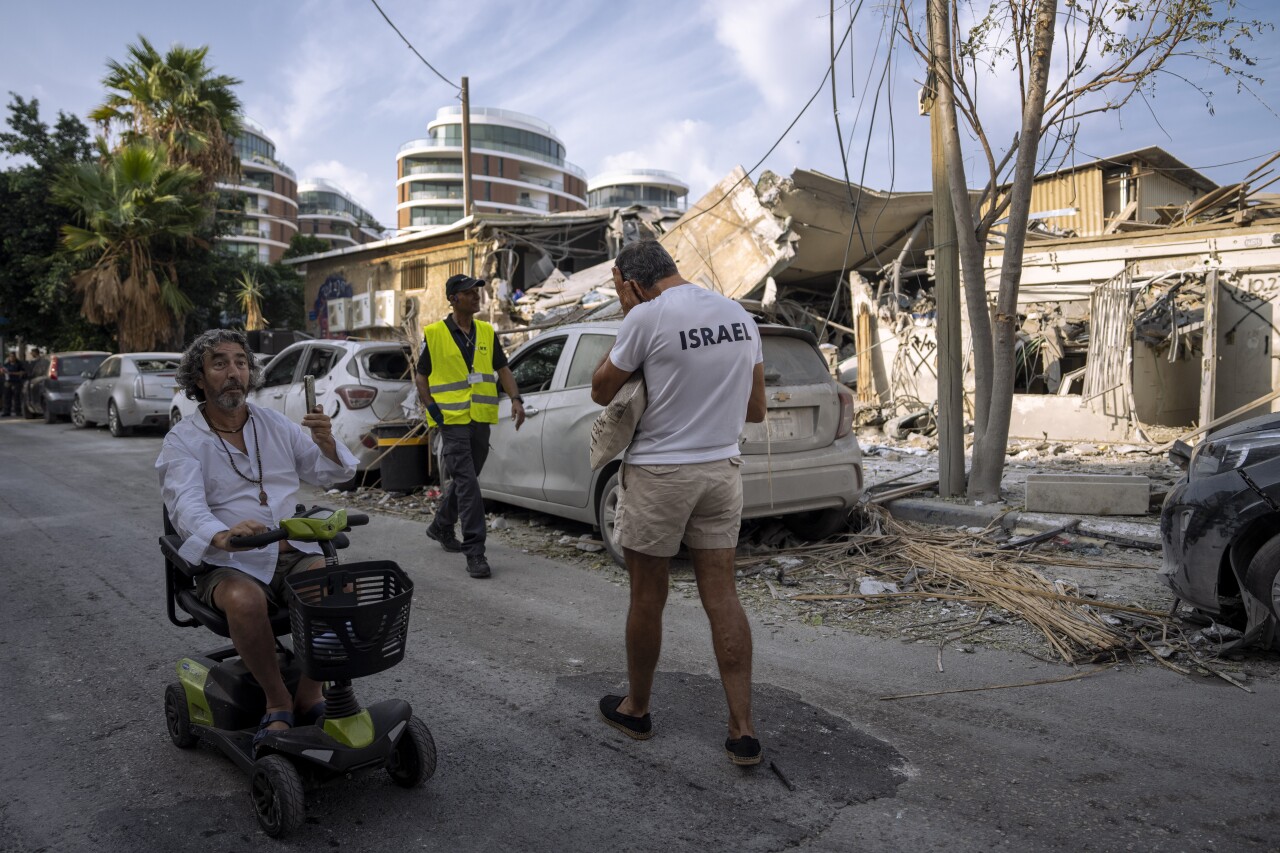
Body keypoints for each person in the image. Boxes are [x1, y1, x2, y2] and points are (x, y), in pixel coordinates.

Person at [591, 239, 767, 766]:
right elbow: (755, 409)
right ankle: (742, 731)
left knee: (648, 597)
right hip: (722, 470)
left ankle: (637, 709)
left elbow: (602, 390)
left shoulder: (646, 315)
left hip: (660, 473)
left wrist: (631, 314)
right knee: (723, 597)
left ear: (629, 281)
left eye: (619, 288)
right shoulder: (738, 314)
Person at [156, 329, 358, 748]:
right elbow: (185, 506)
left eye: (241, 363)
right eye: (220, 363)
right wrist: (223, 535)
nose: (234, 372)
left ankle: (308, 696)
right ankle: (277, 701)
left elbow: (333, 473)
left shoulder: (273, 423)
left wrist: (327, 442)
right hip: (229, 563)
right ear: (198, 378)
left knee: (338, 585)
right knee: (245, 600)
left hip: (293, 553)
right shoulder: (184, 440)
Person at [415, 274, 525, 579]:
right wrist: (431, 406)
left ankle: (440, 525)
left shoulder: (486, 332)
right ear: (453, 299)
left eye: (478, 293)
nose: (477, 297)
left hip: (480, 417)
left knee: (468, 479)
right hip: (450, 420)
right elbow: (421, 375)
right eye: (469, 293)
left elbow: (502, 369)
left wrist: (516, 399)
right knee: (468, 483)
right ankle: (475, 551)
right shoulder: (436, 334)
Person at [1, 352, 25, 416]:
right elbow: (2, 371)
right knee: (7, 397)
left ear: (15, 357)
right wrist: (3, 372)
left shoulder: (19, 364)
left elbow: (22, 372)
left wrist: (12, 373)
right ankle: (6, 411)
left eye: (13, 356)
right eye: (10, 356)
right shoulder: (6, 364)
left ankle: (18, 411)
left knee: (16, 397)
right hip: (8, 382)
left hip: (16, 382)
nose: (11, 358)